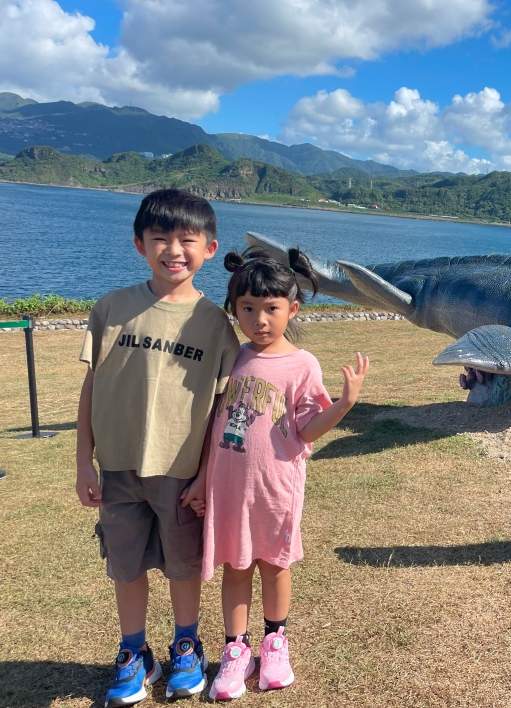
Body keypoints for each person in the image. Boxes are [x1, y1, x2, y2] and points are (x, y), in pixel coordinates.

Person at [75, 188, 241, 707]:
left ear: (209, 249)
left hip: (180, 472)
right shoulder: (113, 308)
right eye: (160, 238)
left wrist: (204, 477)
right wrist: (84, 459)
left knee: (182, 566)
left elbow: (222, 411)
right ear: (138, 245)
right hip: (118, 468)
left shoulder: (215, 324)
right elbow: (91, 386)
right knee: (125, 566)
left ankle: (186, 645)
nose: (174, 249)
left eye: (187, 240)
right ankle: (134, 652)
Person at [197, 247, 369, 701]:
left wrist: (344, 404)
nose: (259, 320)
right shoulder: (231, 357)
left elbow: (307, 428)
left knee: (274, 565)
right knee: (236, 566)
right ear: (234, 310)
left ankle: (275, 644)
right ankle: (236, 652)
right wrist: (200, 480)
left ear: (291, 308)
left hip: (276, 489)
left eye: (271, 309)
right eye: (247, 309)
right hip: (229, 488)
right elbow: (211, 421)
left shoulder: (302, 364)